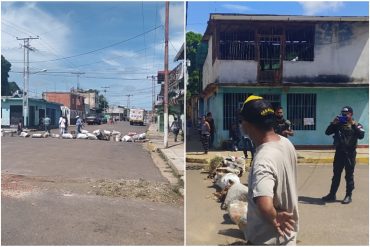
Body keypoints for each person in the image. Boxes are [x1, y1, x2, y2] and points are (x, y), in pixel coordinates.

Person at [239, 95, 299, 245]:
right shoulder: (285, 143)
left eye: (242, 122)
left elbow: (265, 204)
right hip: (288, 236)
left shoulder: (263, 159)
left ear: (247, 124)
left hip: (267, 239)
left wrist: (274, 216)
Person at [322, 106, 365, 204]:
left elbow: (361, 135)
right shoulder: (338, 124)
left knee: (349, 176)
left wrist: (353, 124)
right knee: (336, 175)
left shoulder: (357, 124)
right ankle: (332, 194)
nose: (344, 115)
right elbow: (327, 132)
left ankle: (348, 195)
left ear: (351, 114)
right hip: (339, 153)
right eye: (343, 113)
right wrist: (333, 123)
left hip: (350, 154)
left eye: (346, 114)